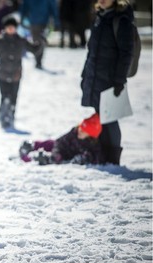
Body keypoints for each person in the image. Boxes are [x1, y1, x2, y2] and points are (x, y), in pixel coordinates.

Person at [80, 0, 135, 165]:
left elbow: (126, 53)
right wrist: (85, 76)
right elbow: (91, 51)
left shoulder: (121, 20)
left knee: (110, 119)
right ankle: (103, 154)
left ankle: (113, 158)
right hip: (96, 76)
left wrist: (119, 79)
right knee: (101, 116)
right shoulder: (99, 18)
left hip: (110, 79)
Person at [19, 113, 105, 165]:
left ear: (90, 135)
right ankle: (32, 145)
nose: (79, 131)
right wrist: (57, 150)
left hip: (65, 157)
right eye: (80, 128)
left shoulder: (92, 146)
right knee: (50, 143)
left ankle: (31, 159)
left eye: (83, 131)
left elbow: (97, 158)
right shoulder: (74, 132)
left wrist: (83, 158)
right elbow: (60, 141)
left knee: (53, 159)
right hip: (61, 149)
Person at [19, 0, 60, 69]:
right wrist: (22, 18)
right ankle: (38, 60)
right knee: (37, 41)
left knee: (41, 41)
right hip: (33, 22)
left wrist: (56, 21)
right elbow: (24, 7)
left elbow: (53, 8)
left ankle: (38, 60)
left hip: (45, 22)